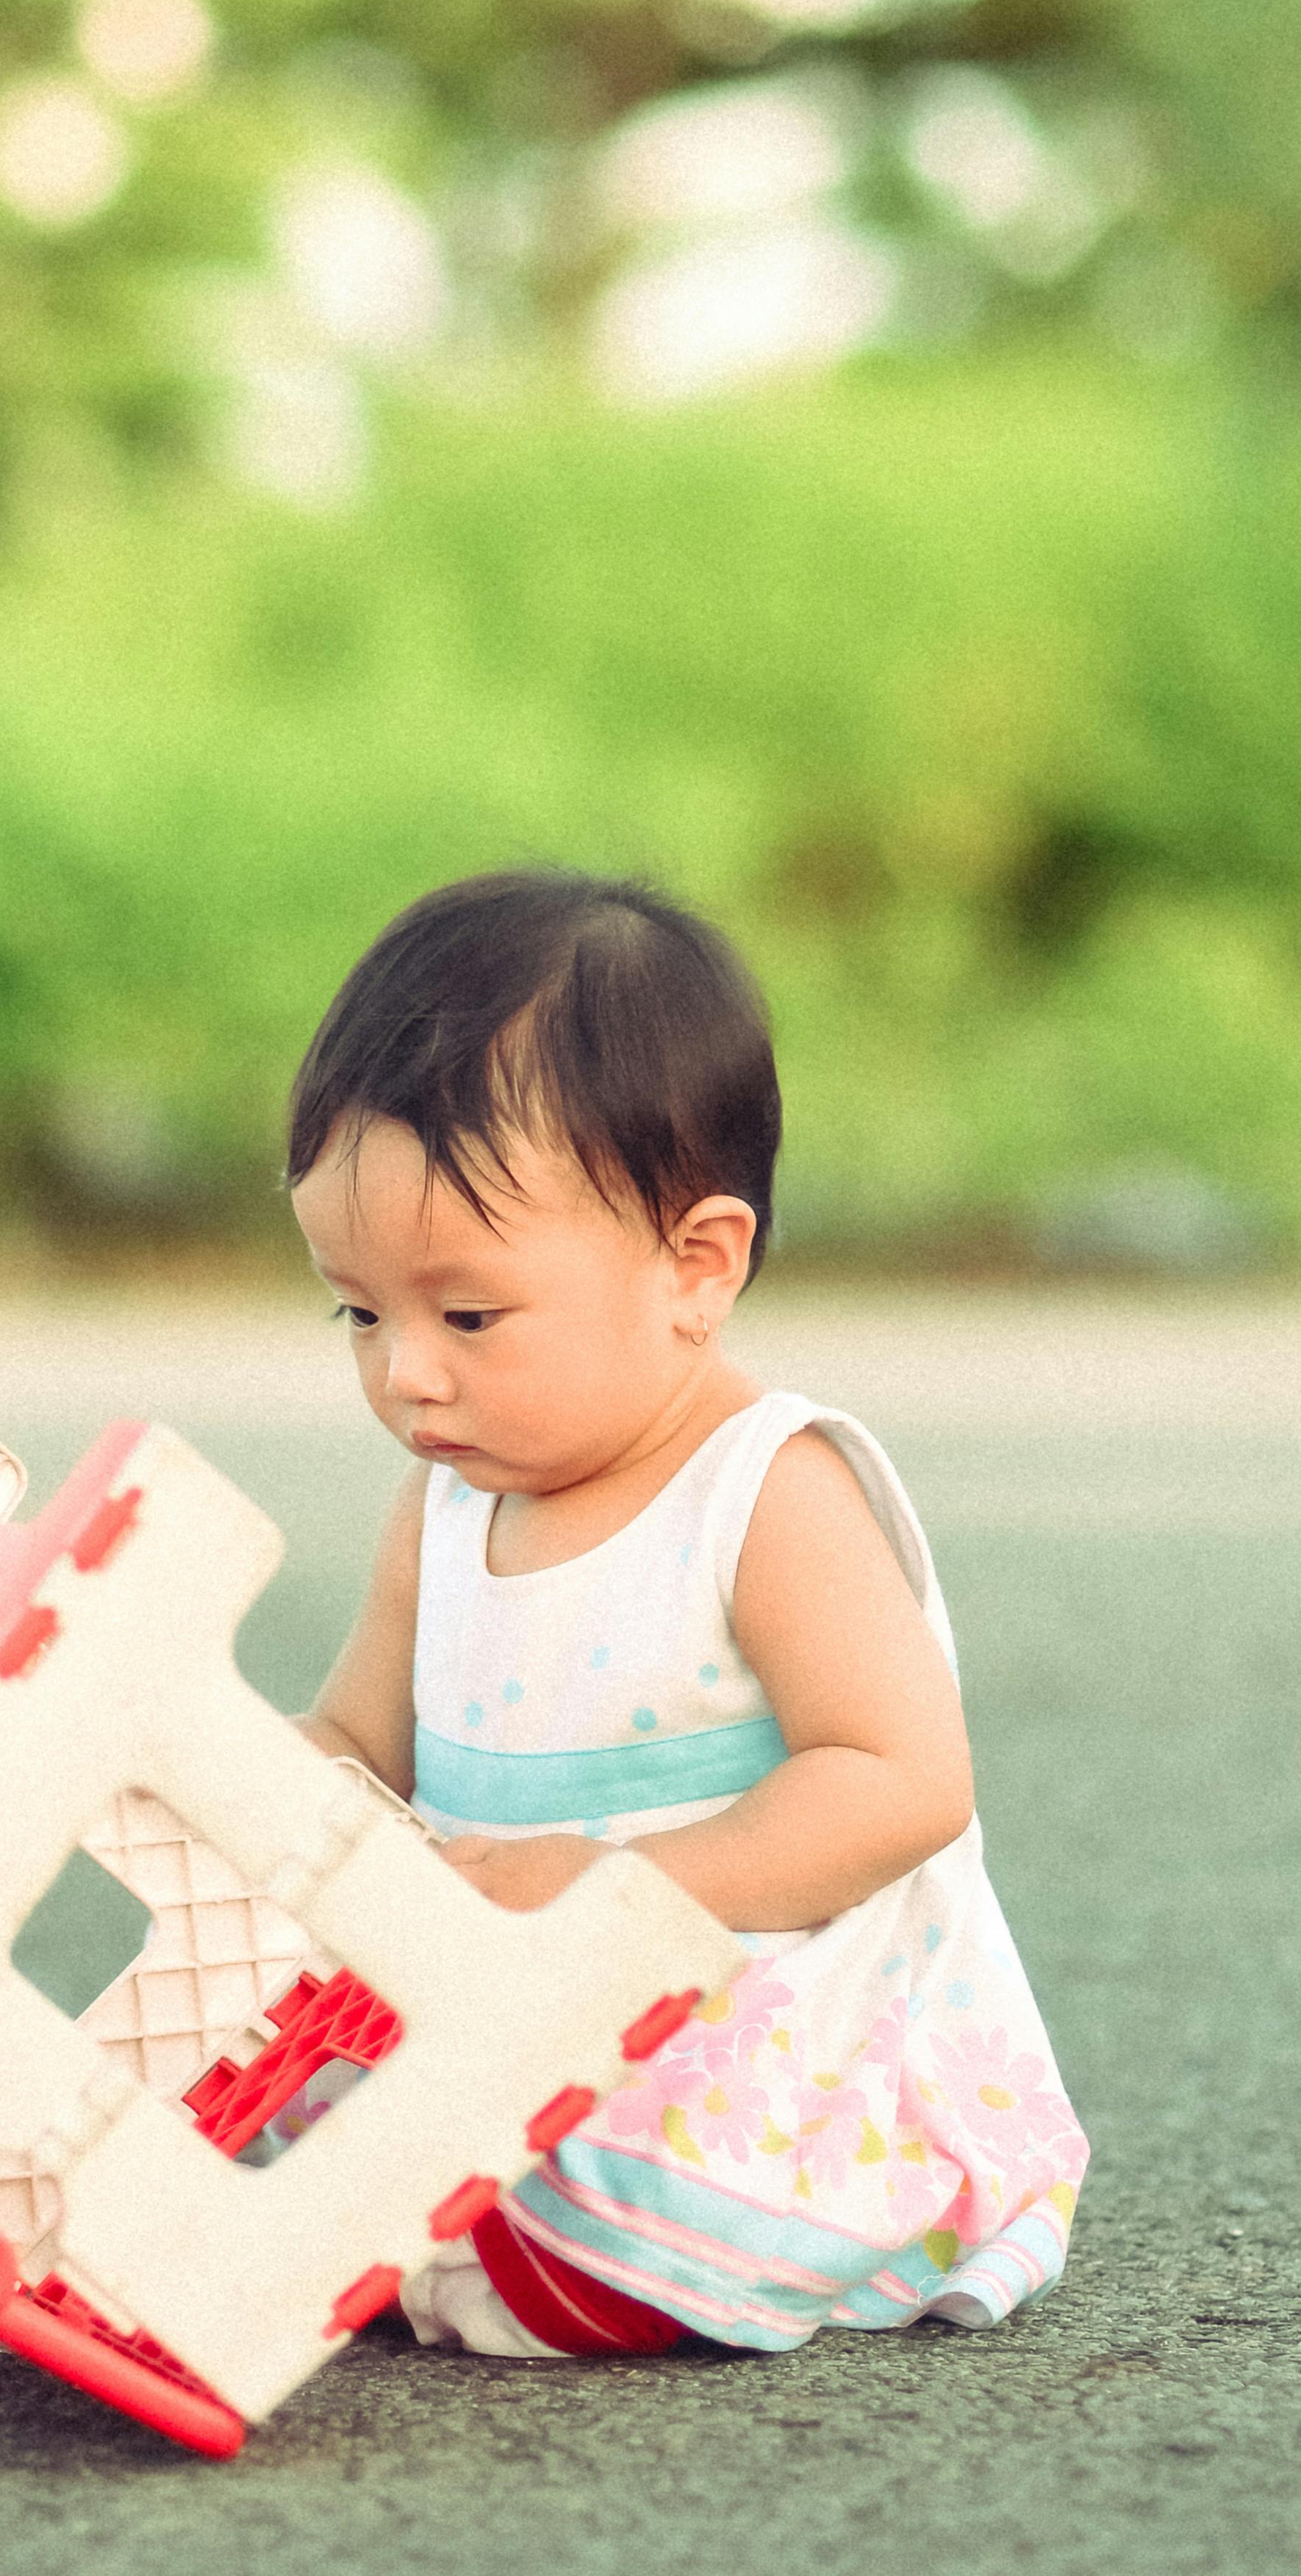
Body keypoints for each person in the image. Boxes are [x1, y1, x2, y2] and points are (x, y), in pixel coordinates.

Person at [285, 869, 1088, 2356]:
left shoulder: (765, 1493)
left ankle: (491, 2249)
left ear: (695, 1268)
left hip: (751, 2026)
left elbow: (903, 1784)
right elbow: (355, 1735)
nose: (406, 1374)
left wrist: (610, 1884)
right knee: (306, 2064)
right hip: (520, 2009)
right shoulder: (450, 1505)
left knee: (576, 2177)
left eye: (466, 1315)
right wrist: (272, 1796)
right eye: (359, 1311)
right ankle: (396, 2231)